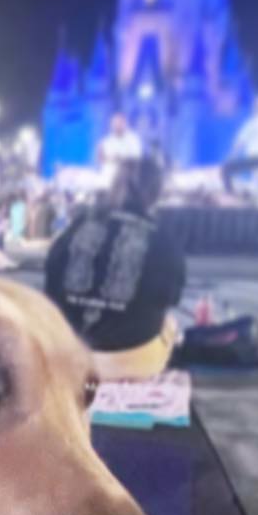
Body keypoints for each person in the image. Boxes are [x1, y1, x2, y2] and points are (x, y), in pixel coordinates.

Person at [44, 152, 185, 378]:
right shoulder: (163, 238)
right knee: (170, 325)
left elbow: (50, 284)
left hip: (66, 350)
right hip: (130, 359)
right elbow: (171, 297)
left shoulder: (77, 226)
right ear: (156, 193)